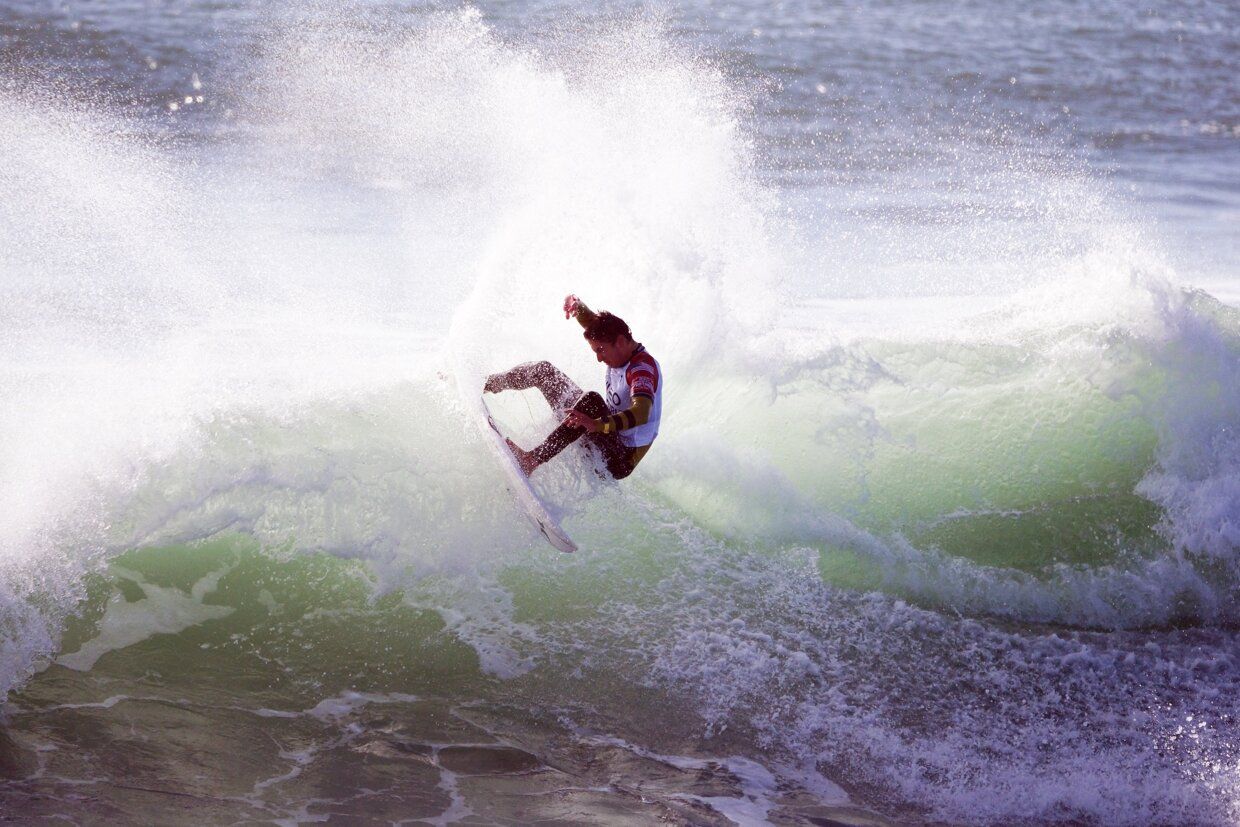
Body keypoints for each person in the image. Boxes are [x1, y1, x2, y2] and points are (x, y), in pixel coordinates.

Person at [483, 294, 662, 479]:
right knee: (543, 370)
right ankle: (487, 384)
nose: (599, 358)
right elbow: (592, 322)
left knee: (591, 401)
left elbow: (642, 413)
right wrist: (577, 307)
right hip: (599, 431)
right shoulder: (615, 344)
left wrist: (596, 424)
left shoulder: (642, 369)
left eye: (600, 350)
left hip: (617, 460)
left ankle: (531, 460)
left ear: (621, 342)